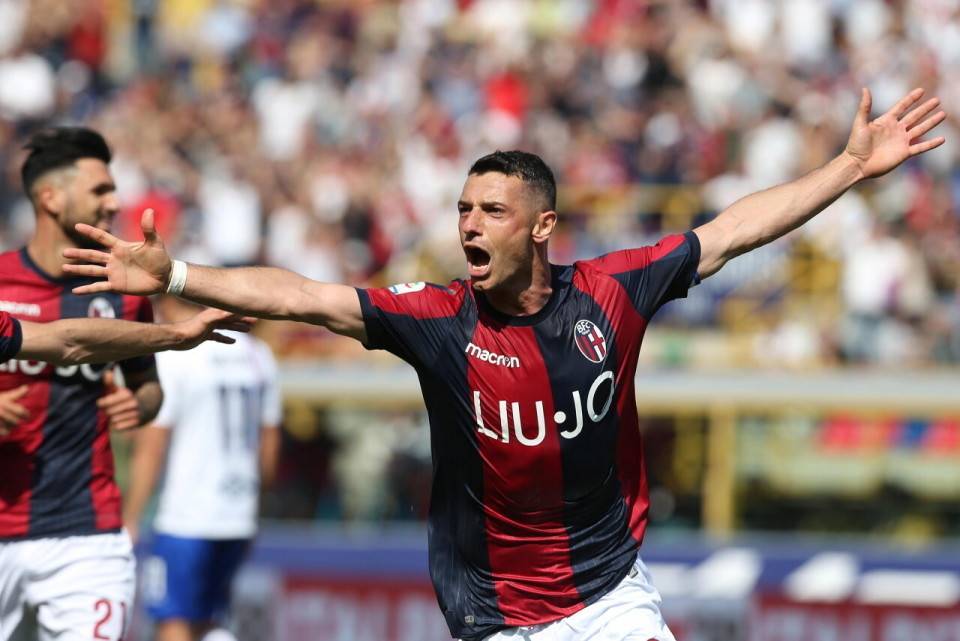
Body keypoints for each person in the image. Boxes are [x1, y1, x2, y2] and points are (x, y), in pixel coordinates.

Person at [65, 88, 945, 641]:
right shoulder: (439, 319)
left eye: (491, 210)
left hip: (608, 595)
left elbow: (733, 231)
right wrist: (175, 275)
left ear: (542, 225)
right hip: (491, 614)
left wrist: (846, 167)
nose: (469, 225)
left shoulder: (613, 292)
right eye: (463, 209)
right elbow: (305, 296)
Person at [0, 126, 236, 641]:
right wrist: (177, 335)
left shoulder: (124, 292)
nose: (114, 202)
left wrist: (142, 403)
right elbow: (67, 342)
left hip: (87, 536)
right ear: (50, 197)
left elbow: (147, 386)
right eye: (100, 190)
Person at [123, 295, 281, 641]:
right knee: (210, 620)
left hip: (186, 516)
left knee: (173, 622)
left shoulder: (177, 354)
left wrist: (131, 517)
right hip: (238, 515)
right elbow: (269, 446)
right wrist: (255, 507)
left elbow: (151, 448)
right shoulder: (258, 354)